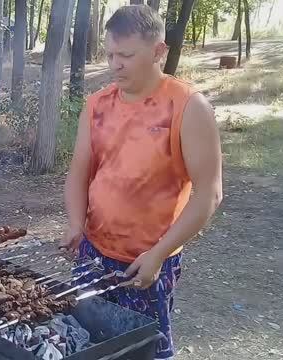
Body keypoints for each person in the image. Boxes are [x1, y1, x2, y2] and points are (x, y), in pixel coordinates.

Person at [61, 5, 223, 360]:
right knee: (84, 342)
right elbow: (79, 171)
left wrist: (160, 254)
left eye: (126, 55)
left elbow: (208, 194)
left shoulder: (188, 107)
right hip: (93, 251)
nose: (114, 64)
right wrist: (75, 223)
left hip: (147, 261)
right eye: (109, 54)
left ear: (159, 51)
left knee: (141, 351)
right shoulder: (97, 105)